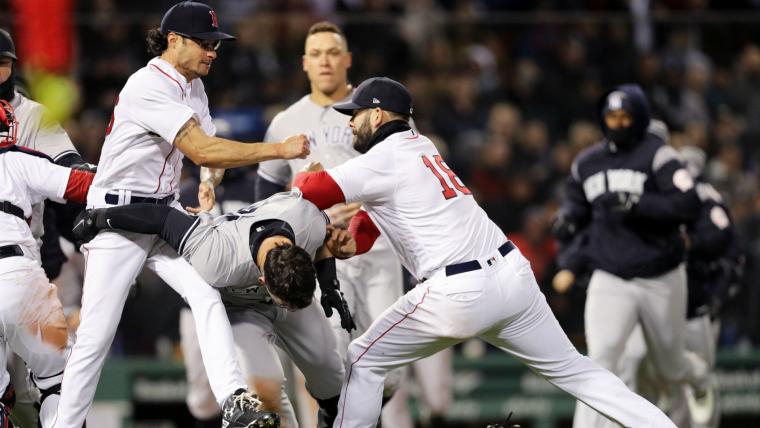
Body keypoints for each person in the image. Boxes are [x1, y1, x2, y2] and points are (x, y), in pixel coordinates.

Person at [293, 76, 678, 428]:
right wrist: (354, 241)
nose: (349, 122)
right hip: (511, 278)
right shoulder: (419, 145)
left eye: (355, 114)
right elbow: (385, 211)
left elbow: (309, 190)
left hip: (458, 291)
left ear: (377, 115)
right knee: (578, 372)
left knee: (364, 358)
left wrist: (304, 169)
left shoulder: (382, 159)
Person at [53, 2, 309, 427]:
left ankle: (234, 400)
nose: (213, 52)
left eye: (215, 44)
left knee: (206, 295)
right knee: (96, 337)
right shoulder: (148, 84)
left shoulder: (194, 86)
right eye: (205, 43)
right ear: (174, 41)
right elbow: (203, 148)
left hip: (165, 214)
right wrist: (278, 149)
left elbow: (208, 156)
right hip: (119, 218)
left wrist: (208, 182)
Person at [72, 187, 354, 428]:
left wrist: (328, 284)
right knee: (265, 388)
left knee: (331, 376)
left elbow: (321, 244)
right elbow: (163, 218)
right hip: (242, 309)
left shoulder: (306, 219)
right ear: (262, 279)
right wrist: (102, 218)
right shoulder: (218, 258)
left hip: (280, 292)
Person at [254, 21, 413, 426]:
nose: (325, 60)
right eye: (317, 53)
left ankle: (358, 417)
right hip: (320, 255)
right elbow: (265, 193)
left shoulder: (379, 112)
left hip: (376, 248)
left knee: (390, 368)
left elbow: (411, 175)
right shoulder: (285, 122)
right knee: (334, 363)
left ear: (348, 60)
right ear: (305, 63)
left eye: (332, 52)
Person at [551, 85, 714, 428]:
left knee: (669, 365)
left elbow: (689, 205)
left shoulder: (660, 155)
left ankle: (698, 376)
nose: (619, 123)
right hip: (610, 275)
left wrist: (639, 204)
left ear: (639, 118)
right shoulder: (588, 162)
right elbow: (576, 208)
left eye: (626, 116)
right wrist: (567, 218)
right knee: (599, 362)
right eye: (612, 116)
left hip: (660, 275)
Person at [0, 27, 90, 428]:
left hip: (32, 256)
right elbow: (78, 181)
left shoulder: (32, 114)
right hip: (21, 274)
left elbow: (71, 164)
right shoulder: (20, 158)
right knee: (58, 384)